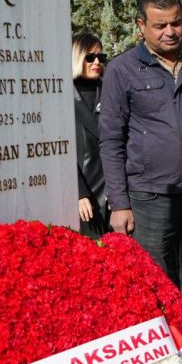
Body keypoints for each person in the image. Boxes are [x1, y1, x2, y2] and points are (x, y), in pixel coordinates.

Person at [99, 0, 182, 321]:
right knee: (155, 292)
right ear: (141, 25)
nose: (171, 32)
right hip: (149, 200)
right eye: (160, 25)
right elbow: (110, 140)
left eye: (177, 22)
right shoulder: (121, 71)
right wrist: (120, 203)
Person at [72, 31, 110, 238]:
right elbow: (62, 151)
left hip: (113, 193)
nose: (97, 62)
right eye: (90, 57)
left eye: (101, 57)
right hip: (85, 194)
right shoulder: (61, 96)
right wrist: (79, 193)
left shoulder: (109, 91)